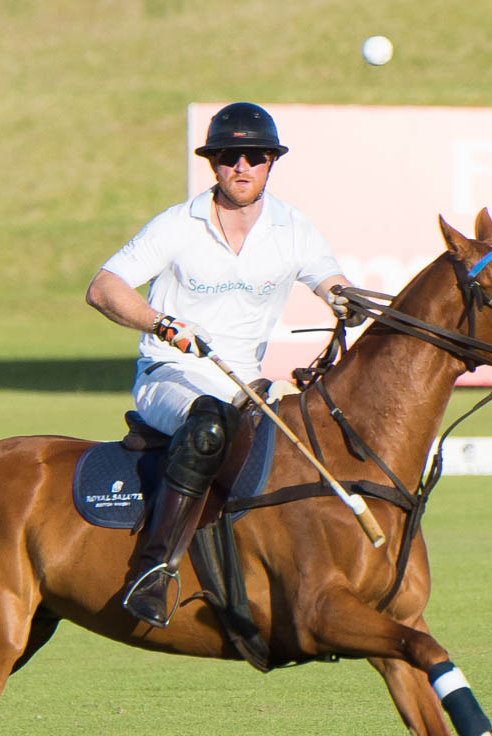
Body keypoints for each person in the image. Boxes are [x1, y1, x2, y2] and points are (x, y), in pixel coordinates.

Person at [86, 101, 353, 629]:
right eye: (229, 156)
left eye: (254, 156)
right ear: (214, 163)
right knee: (209, 423)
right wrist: (161, 323)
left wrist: (348, 301)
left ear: (272, 162)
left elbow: (333, 285)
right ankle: (154, 568)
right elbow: (103, 287)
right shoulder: (177, 225)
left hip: (246, 382)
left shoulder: (292, 228)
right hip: (169, 374)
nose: (242, 166)